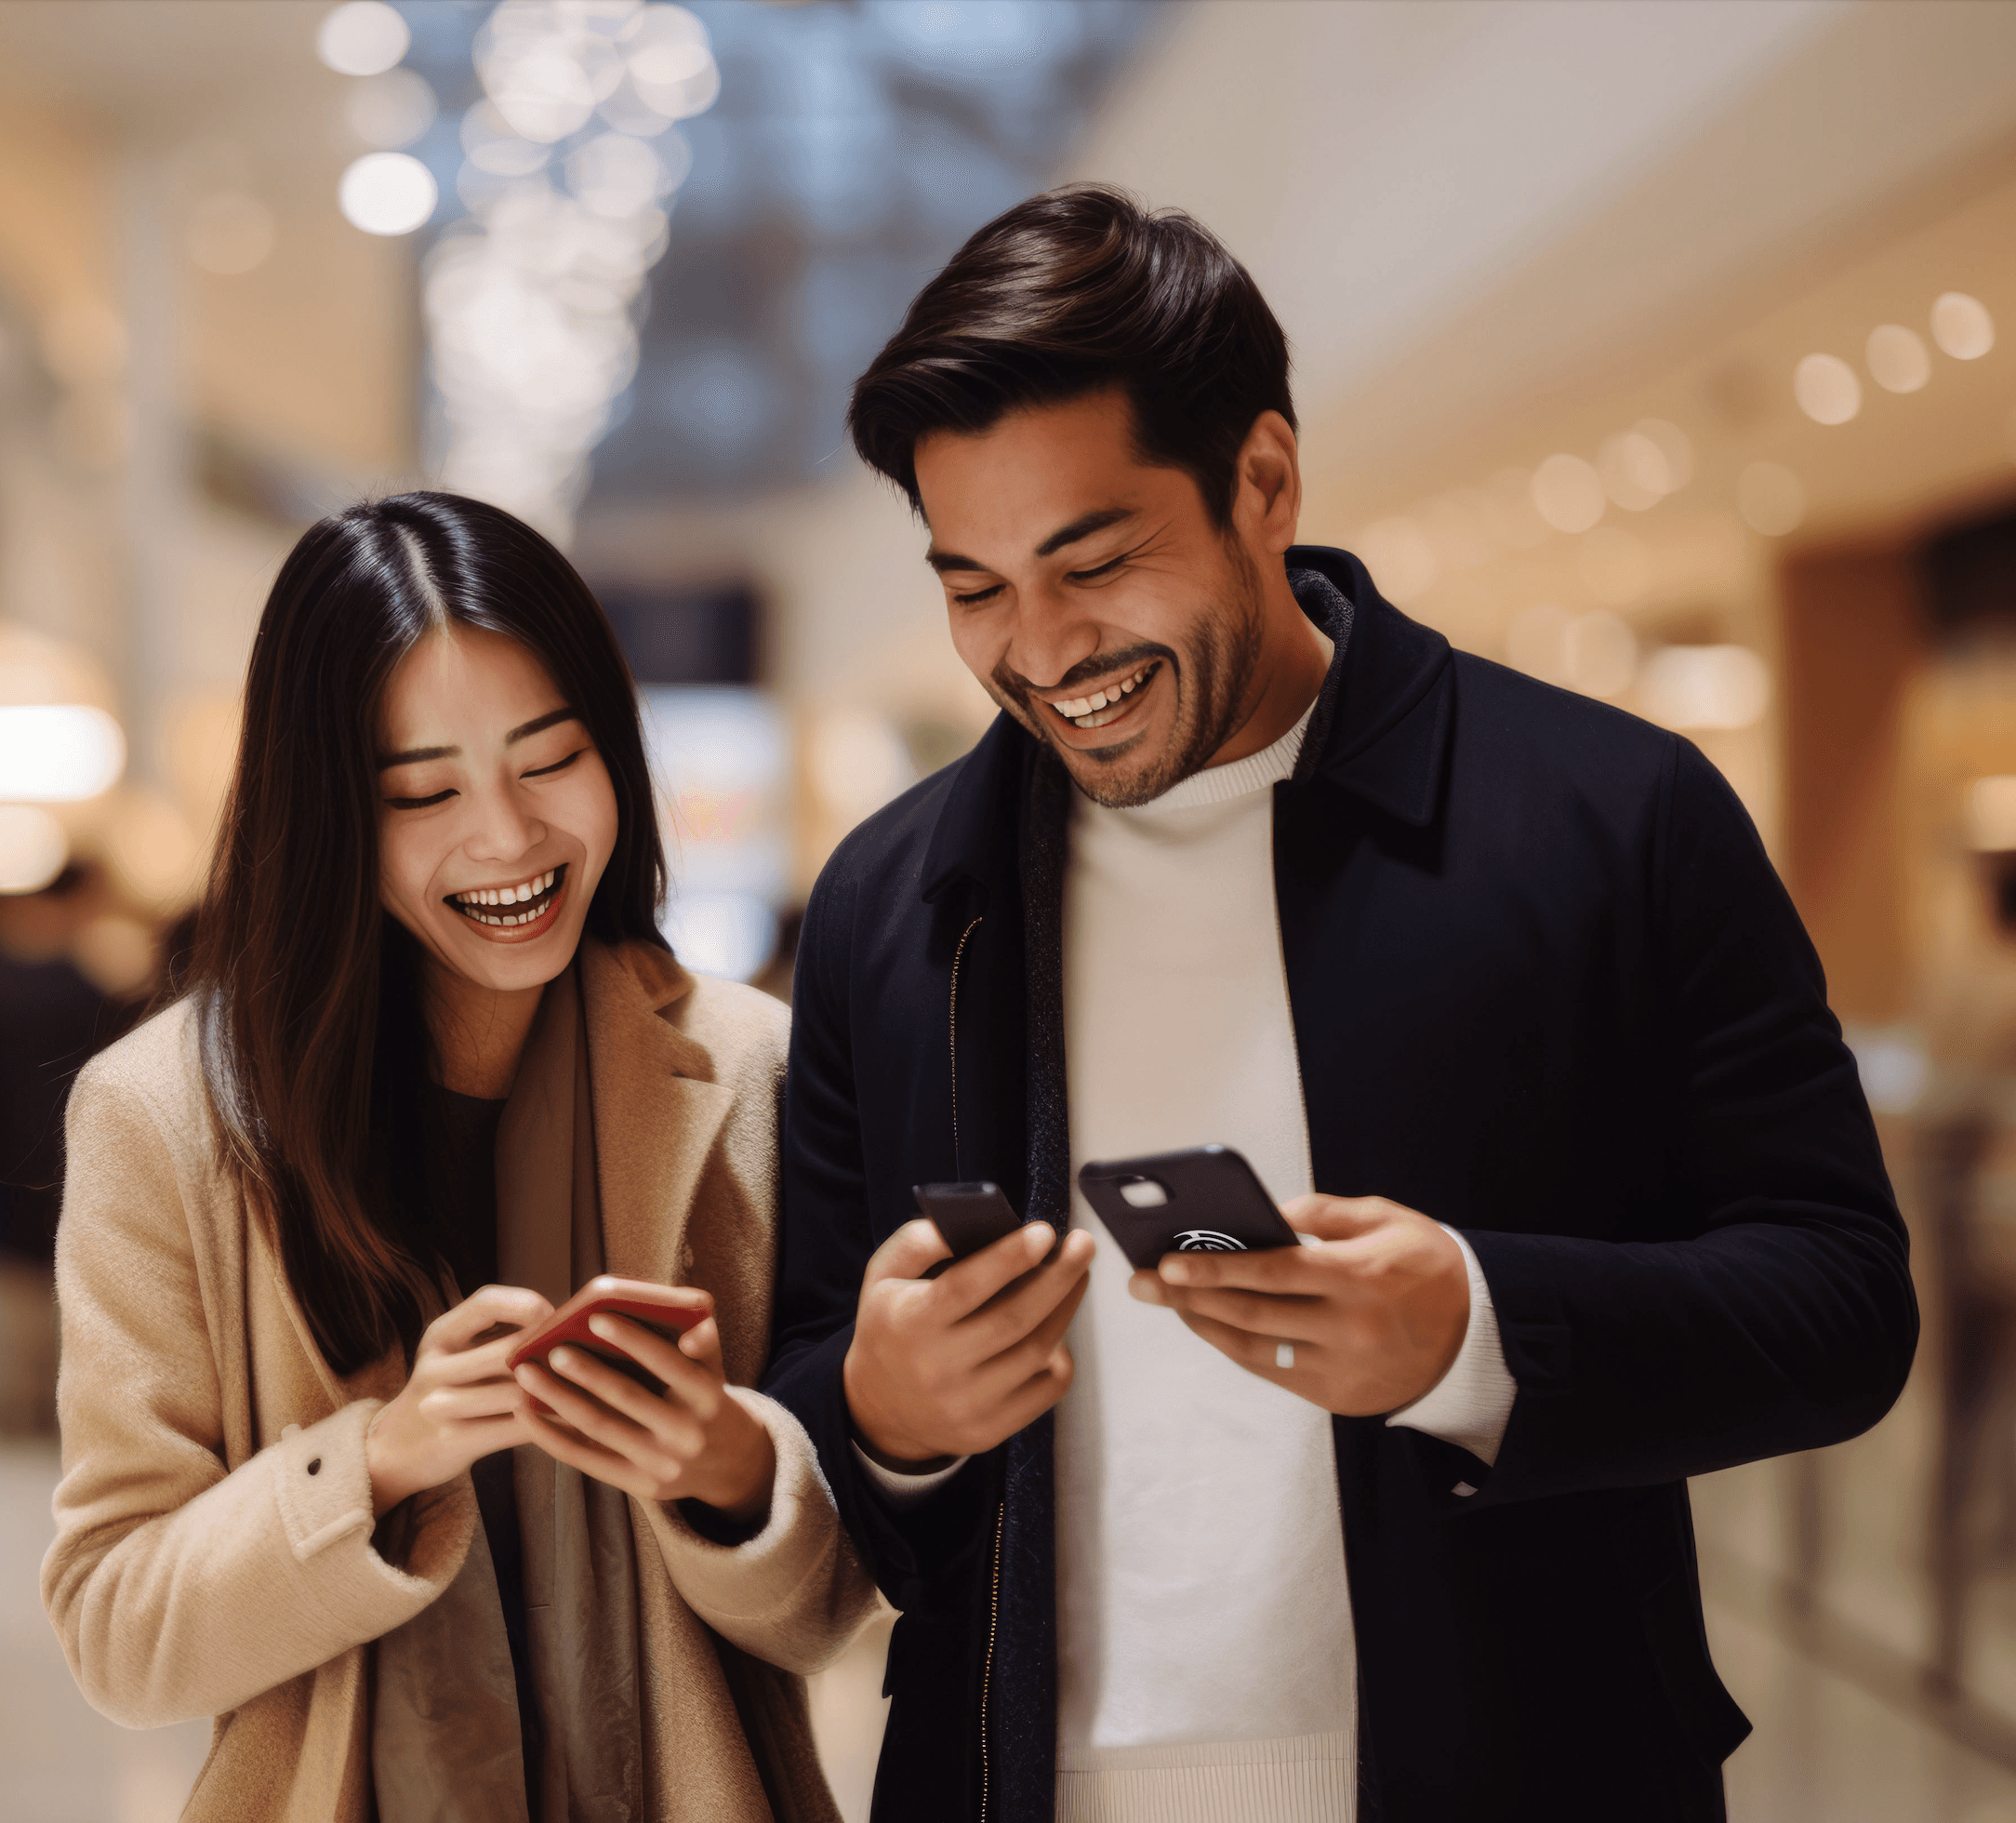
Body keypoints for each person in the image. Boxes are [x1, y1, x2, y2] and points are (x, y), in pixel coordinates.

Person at [763, 187, 1917, 1823]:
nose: (1039, 651)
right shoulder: (895, 906)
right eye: (974, 587)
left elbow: (1843, 1307)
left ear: (1265, 481)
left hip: (1516, 1766)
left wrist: (1477, 1334)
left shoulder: (1614, 816)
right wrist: (884, 1409)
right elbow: (809, 1378)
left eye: (1094, 562)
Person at [42, 492, 875, 1823]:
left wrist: (721, 1462)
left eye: (550, 759)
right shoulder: (163, 1117)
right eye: (422, 791)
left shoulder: (750, 1070)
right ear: (327, 814)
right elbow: (117, 1633)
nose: (506, 836)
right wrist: (382, 1459)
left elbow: (834, 1603)